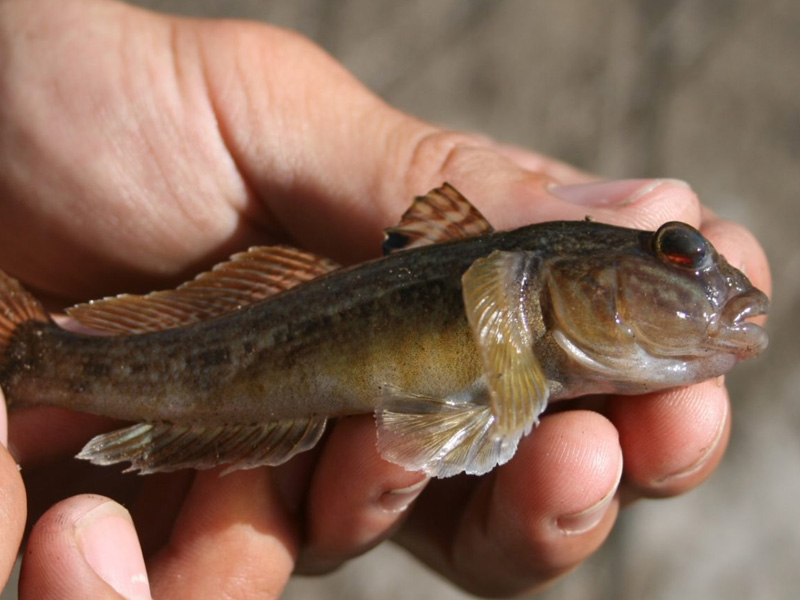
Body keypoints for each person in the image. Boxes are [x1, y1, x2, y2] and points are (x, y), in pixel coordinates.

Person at [0, 1, 771, 598]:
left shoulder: (538, 302)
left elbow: (433, 430)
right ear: (574, 277)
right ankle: (32, 363)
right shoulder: (518, 275)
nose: (714, 289)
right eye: (680, 256)